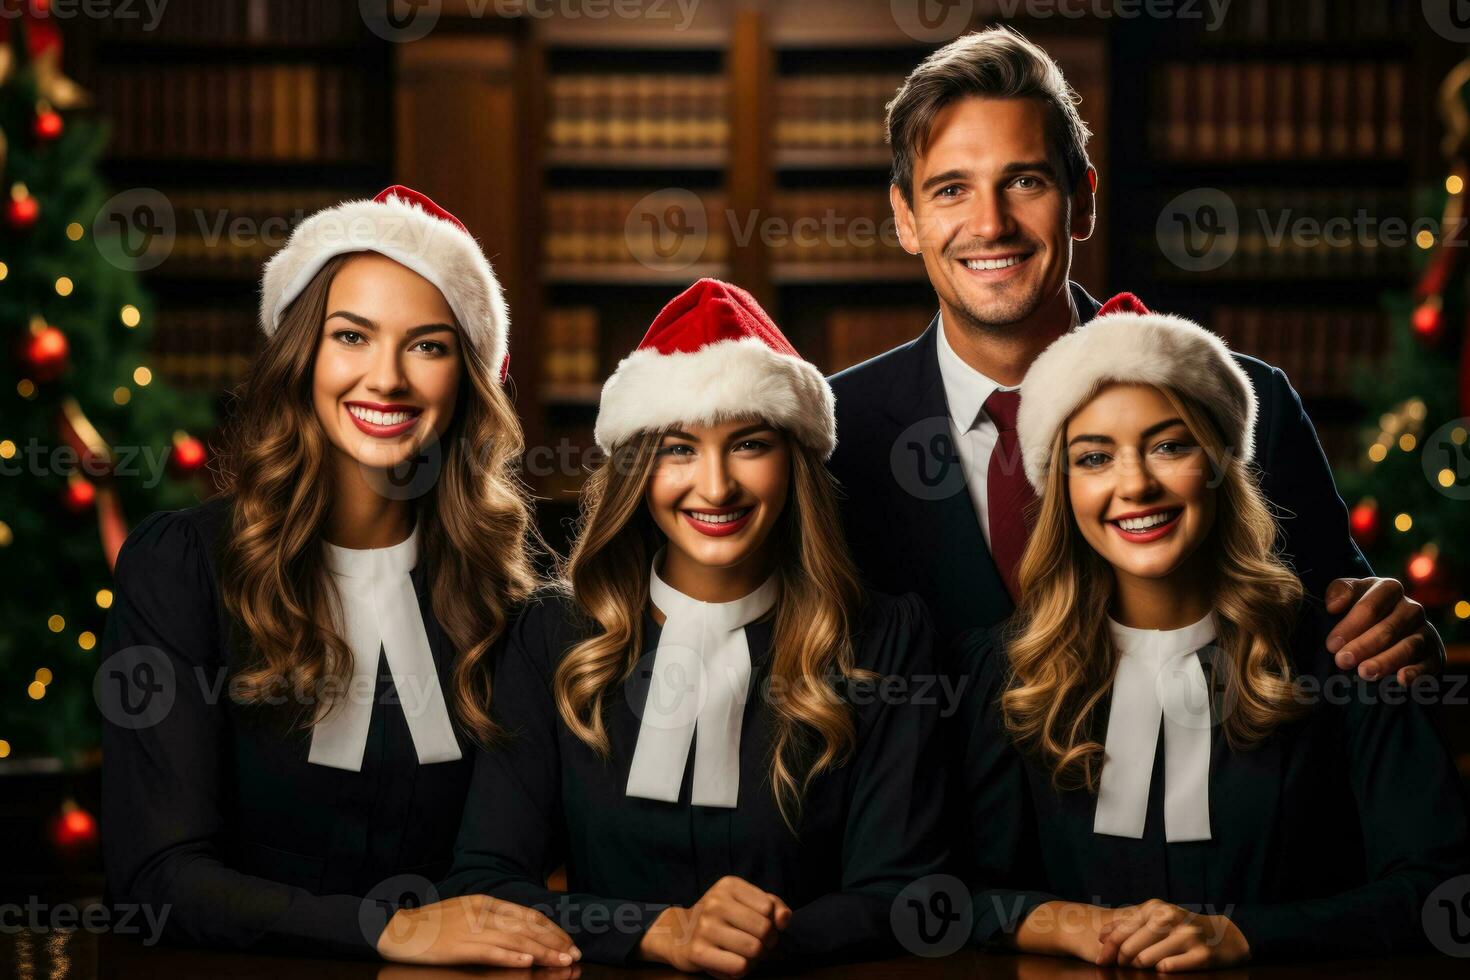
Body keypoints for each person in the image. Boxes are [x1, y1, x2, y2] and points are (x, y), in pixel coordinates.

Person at [827, 26, 1441, 680]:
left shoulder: (1250, 408)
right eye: (951, 189)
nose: (990, 224)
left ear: (1083, 200)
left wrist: (1399, 646)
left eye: (1025, 181)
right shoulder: (834, 436)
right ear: (905, 217)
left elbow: (1353, 646)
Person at [100, 186, 577, 967]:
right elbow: (157, 878)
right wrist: (388, 929)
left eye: (428, 345)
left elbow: (515, 874)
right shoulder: (181, 567)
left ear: (468, 381)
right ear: (302, 356)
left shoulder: (512, 608)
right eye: (351, 336)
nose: (385, 379)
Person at [439, 279, 949, 974]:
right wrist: (659, 931)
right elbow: (486, 884)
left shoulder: (885, 639)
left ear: (793, 461)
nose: (715, 487)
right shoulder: (549, 637)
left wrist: (769, 937)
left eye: (748, 444)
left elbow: (903, 894)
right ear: (636, 472)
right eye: (679, 449)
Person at [951, 295, 1470, 970]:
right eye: (1094, 457)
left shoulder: (1343, 656)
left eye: (1169, 445)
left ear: (1223, 464)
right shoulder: (1007, 674)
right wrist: (1052, 920)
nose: (1134, 484)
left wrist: (1246, 935)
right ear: (1062, 489)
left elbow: (1443, 891)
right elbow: (941, 889)